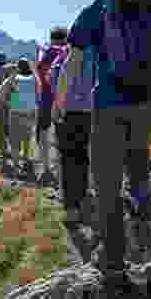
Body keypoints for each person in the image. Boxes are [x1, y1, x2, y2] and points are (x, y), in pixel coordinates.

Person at [62, 0, 151, 291]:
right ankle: (144, 234)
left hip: (110, 105)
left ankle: (113, 261)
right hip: (147, 103)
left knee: (107, 182)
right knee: (139, 160)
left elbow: (73, 62)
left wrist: (61, 103)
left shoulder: (95, 11)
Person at [51, 43, 97, 222]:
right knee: (84, 155)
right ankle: (83, 198)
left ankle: (72, 209)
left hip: (67, 113)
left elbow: (54, 79)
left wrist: (57, 107)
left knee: (68, 159)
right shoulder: (95, 54)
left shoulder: (63, 57)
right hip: (91, 112)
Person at [34, 27, 69, 187]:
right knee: (65, 138)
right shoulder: (69, 52)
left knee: (42, 134)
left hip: (47, 101)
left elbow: (40, 76)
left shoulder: (48, 54)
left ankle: (46, 169)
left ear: (52, 38)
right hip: (68, 102)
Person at [0, 57, 38, 170]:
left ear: (18, 68)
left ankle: (16, 164)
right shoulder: (34, 79)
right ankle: (25, 158)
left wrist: (8, 102)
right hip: (30, 112)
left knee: (15, 139)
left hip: (15, 112)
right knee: (27, 137)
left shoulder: (13, 79)